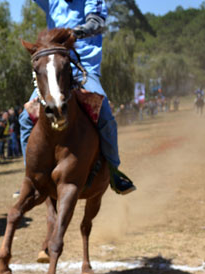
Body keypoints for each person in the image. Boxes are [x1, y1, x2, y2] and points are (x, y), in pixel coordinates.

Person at [22, 0, 135, 195]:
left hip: (83, 70)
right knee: (24, 119)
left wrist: (75, 33)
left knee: (105, 115)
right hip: (54, 71)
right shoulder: (52, 2)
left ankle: (114, 172)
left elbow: (97, 23)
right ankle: (31, 177)